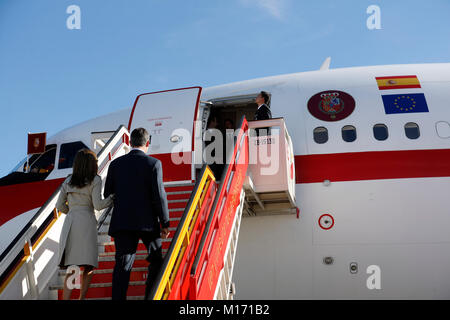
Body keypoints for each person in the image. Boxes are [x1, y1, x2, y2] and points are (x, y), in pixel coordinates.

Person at [104, 127, 170, 300]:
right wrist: (165, 222)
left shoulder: (115, 164)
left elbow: (107, 193)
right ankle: (151, 296)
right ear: (147, 143)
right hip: (148, 222)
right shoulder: (154, 164)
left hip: (123, 222)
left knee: (123, 265)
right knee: (156, 260)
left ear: (129, 143)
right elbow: (159, 196)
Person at [56, 149, 114, 300]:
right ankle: (81, 298)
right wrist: (112, 198)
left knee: (72, 266)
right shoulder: (95, 180)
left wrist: (72, 211)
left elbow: (59, 205)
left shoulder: (68, 180)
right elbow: (98, 205)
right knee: (88, 266)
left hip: (71, 223)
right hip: (87, 223)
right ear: (92, 164)